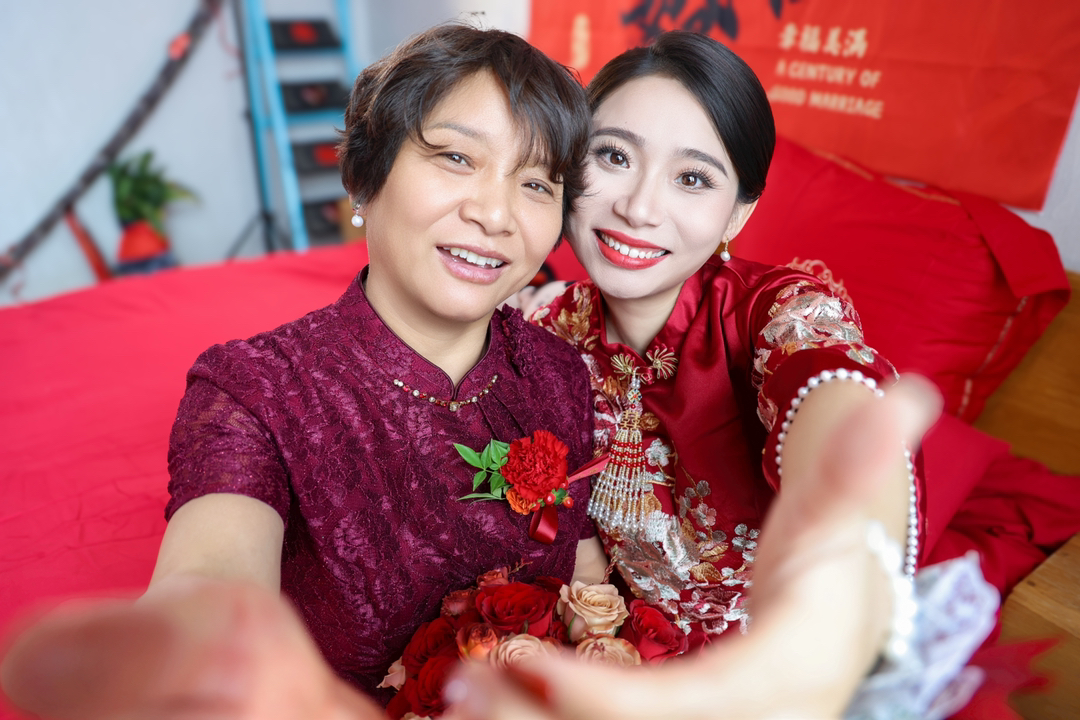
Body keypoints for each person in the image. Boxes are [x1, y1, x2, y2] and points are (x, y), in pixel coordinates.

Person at [2, 22, 605, 717]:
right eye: (456, 158)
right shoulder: (252, 391)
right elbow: (212, 577)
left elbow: (584, 570)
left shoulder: (558, 371)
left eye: (536, 183)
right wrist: (196, 641)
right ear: (365, 178)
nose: (496, 214)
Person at [474, 31, 984, 719]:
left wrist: (844, 538)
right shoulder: (544, 327)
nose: (639, 208)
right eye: (614, 156)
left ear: (738, 212)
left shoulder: (777, 311)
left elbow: (830, 391)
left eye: (692, 178)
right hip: (614, 658)